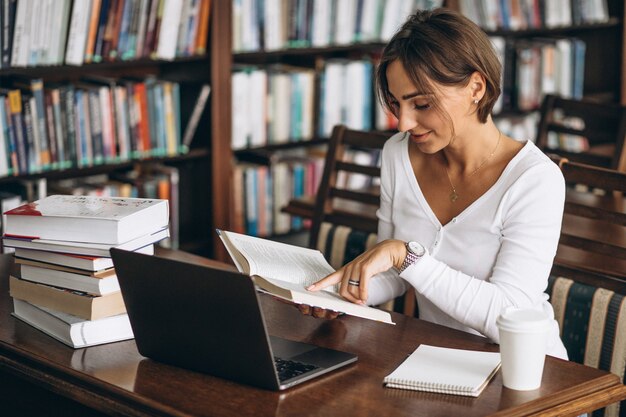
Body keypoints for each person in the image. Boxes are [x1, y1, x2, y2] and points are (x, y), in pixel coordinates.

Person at [303, 8, 568, 359]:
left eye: (422, 104)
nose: (404, 123)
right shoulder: (398, 154)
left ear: (476, 87)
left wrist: (407, 256)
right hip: (435, 359)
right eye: (397, 104)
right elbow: (395, 273)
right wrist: (342, 294)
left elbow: (509, 315)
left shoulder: (535, 180)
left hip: (526, 371)